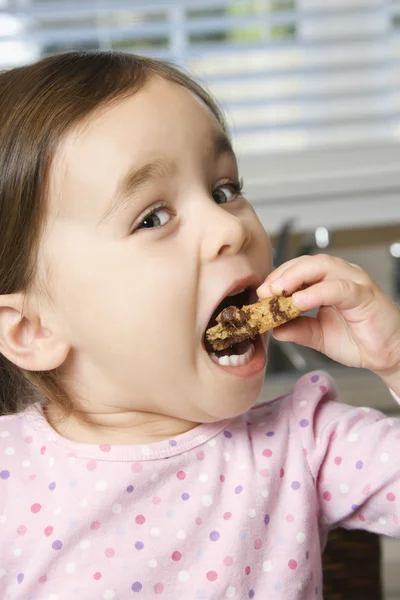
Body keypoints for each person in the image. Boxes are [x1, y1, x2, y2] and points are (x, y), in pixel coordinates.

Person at [0, 51, 399, 600]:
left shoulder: (306, 446)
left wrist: (396, 354)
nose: (227, 229)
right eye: (153, 218)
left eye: (224, 191)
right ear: (32, 331)